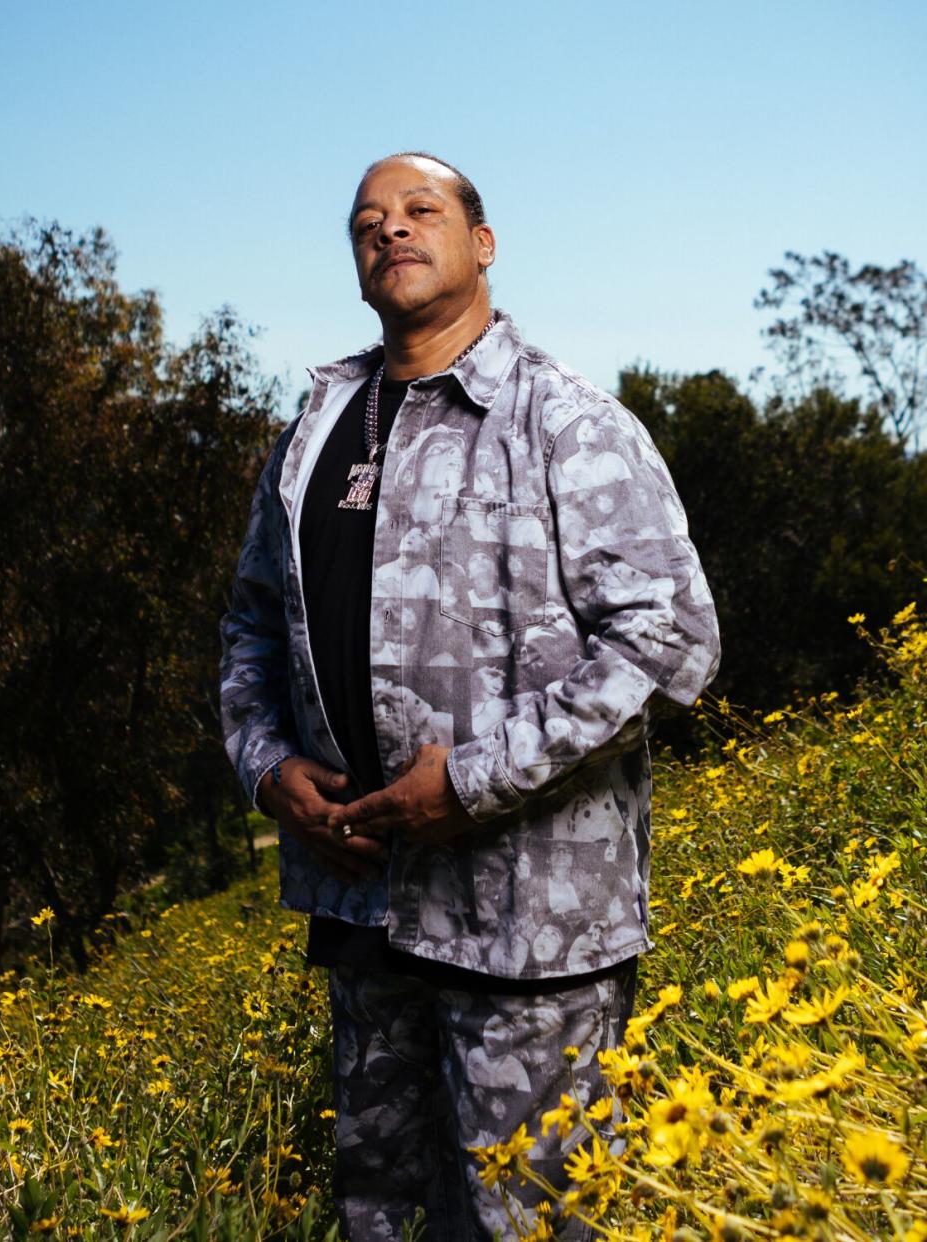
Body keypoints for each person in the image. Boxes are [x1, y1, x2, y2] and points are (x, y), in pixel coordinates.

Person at [220, 151, 720, 1240]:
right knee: (383, 1217)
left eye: (420, 209)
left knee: (533, 1224)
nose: (390, 229)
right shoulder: (313, 436)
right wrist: (265, 769)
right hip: (362, 912)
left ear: (481, 243)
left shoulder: (567, 423)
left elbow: (668, 641)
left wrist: (478, 782)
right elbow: (252, 622)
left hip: (527, 935)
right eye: (367, 221)